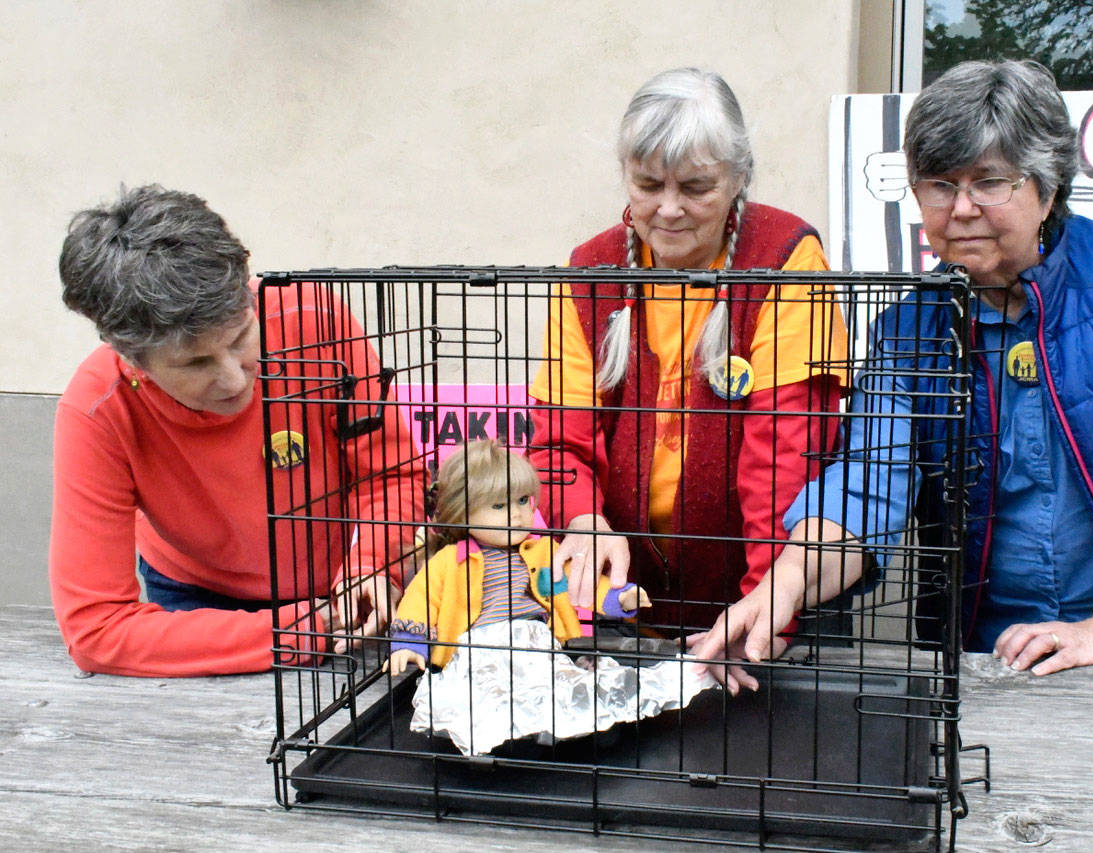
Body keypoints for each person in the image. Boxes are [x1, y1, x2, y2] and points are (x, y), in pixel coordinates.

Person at [692, 59, 1093, 689]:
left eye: (990, 182)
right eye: (939, 185)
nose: (961, 209)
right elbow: (868, 485)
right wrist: (782, 585)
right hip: (985, 650)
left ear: (1048, 186)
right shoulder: (908, 328)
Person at [51, 185, 426, 677]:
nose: (233, 378)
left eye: (241, 338)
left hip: (351, 590)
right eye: (195, 362)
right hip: (195, 607)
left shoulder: (315, 317)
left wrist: (375, 560)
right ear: (131, 359)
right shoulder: (96, 408)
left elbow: (391, 473)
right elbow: (96, 630)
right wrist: (300, 629)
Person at [527, 67, 849, 632]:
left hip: (758, 593)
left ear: (738, 179)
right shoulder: (589, 269)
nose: (669, 209)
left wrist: (765, 606)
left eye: (696, 188)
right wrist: (580, 519)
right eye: (648, 185)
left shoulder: (787, 256)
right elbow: (559, 438)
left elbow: (784, 455)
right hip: (620, 605)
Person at [386, 439, 648, 674]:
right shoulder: (449, 562)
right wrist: (409, 644)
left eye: (523, 500)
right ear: (462, 513)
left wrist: (620, 597)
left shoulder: (544, 552)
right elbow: (421, 601)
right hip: (476, 657)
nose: (516, 514)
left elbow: (576, 582)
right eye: (499, 505)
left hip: (541, 649)